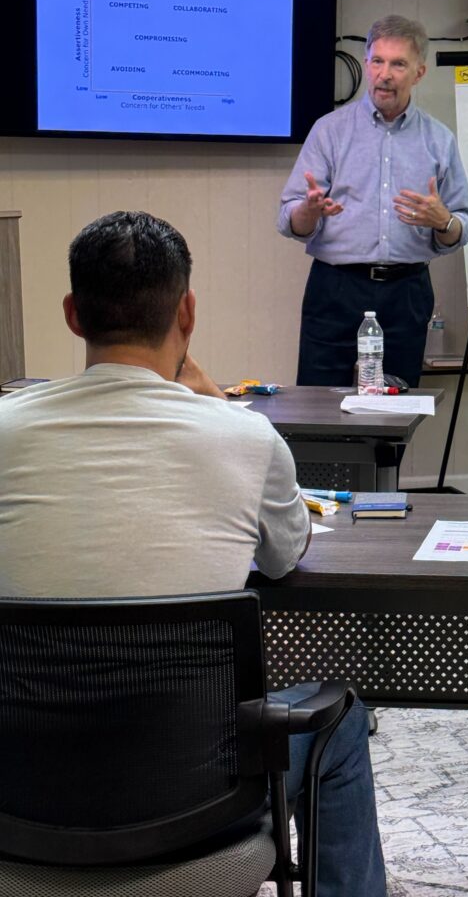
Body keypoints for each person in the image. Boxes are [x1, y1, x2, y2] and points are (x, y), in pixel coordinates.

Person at [0, 210, 385, 897]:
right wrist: (217, 405)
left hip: (18, 822)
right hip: (200, 827)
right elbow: (284, 556)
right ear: (187, 313)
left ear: (72, 315)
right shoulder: (247, 440)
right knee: (342, 720)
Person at [279, 13, 468, 388]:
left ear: (418, 73)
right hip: (335, 287)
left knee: (397, 406)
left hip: (406, 291)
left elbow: (462, 226)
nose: (384, 74)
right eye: (377, 61)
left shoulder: (439, 140)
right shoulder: (329, 131)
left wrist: (443, 221)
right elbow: (289, 219)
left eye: (398, 64)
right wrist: (309, 210)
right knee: (318, 403)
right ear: (367, 63)